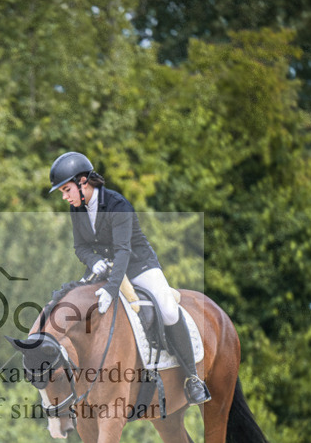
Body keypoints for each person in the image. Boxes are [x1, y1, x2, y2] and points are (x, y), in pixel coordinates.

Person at [48, 151, 210, 405]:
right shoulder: (76, 209)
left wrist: (111, 289)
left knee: (168, 310)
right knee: (77, 306)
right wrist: (94, 261)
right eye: (62, 192)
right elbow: (80, 247)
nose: (65, 197)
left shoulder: (117, 205)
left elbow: (123, 250)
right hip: (105, 268)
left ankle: (193, 378)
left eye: (66, 190)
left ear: (83, 182)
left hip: (138, 265)